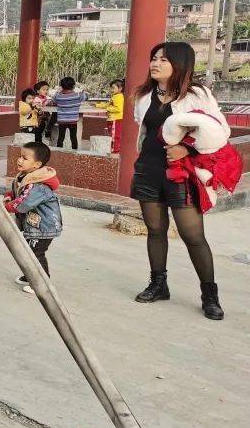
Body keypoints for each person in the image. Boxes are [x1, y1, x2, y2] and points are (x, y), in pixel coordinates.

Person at [130, 42, 226, 320]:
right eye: (154, 58)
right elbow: (145, 132)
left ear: (180, 64)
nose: (155, 63)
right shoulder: (144, 95)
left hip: (181, 173)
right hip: (148, 170)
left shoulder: (197, 95)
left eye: (163, 59)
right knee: (155, 229)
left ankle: (210, 295)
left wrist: (188, 148)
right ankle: (158, 284)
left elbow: (220, 130)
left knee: (192, 235)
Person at [4, 142, 62, 295]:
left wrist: (9, 206)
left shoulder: (39, 185)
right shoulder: (25, 177)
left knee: (36, 253)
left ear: (37, 164)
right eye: (19, 156)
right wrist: (10, 196)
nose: (19, 160)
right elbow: (18, 191)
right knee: (28, 250)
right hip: (34, 225)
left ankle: (42, 282)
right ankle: (31, 275)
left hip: (44, 227)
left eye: (25, 158)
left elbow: (25, 203)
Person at [54, 76, 87, 149]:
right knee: (73, 138)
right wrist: (83, 91)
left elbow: (54, 100)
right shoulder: (77, 96)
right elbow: (85, 97)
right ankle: (74, 152)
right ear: (73, 86)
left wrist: (59, 91)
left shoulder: (58, 96)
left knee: (60, 138)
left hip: (62, 120)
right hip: (72, 121)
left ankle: (59, 151)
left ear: (62, 86)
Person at [94, 79, 124, 153]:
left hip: (116, 119)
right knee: (112, 135)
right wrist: (97, 105)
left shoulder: (119, 97)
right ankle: (114, 149)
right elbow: (108, 104)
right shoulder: (114, 96)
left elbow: (118, 109)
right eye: (111, 88)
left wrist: (108, 109)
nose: (111, 89)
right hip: (112, 119)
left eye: (113, 88)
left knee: (115, 136)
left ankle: (115, 150)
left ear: (120, 88)